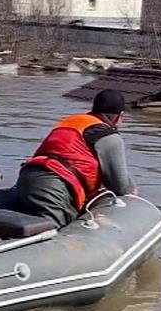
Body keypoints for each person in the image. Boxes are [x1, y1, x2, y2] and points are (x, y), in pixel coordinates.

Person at [12, 88, 136, 228]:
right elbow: (120, 187)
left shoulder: (71, 122)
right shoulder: (108, 136)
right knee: (49, 234)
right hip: (54, 188)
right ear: (119, 116)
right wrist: (133, 193)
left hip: (26, 178)